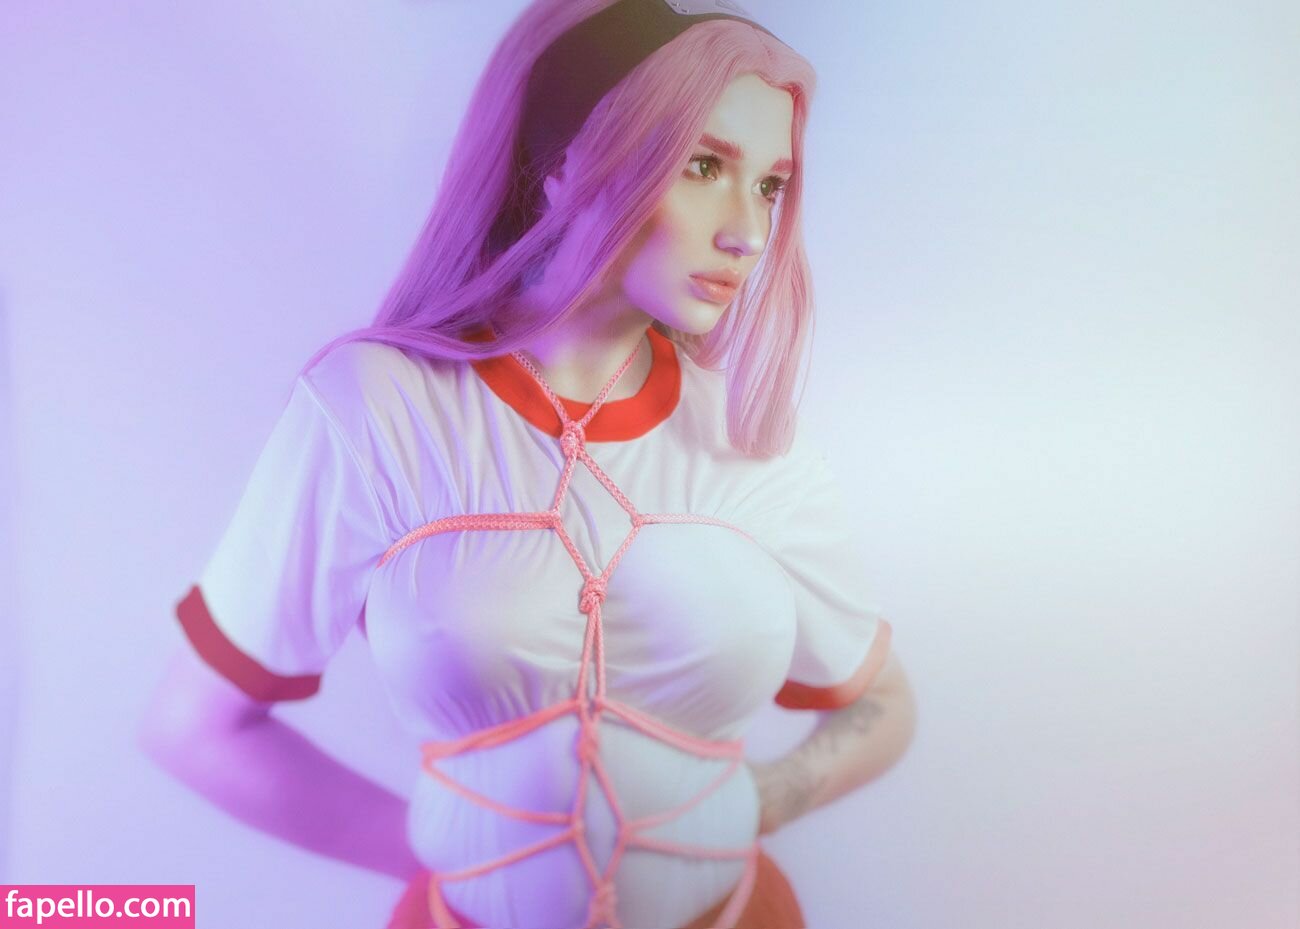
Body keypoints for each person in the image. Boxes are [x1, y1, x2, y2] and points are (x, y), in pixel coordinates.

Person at [137, 0, 918, 926]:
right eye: (705, 166)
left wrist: (761, 803)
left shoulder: (749, 436)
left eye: (771, 184)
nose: (747, 232)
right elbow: (195, 724)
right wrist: (452, 853)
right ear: (565, 166)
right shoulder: (377, 408)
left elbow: (881, 703)